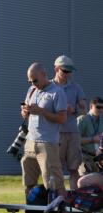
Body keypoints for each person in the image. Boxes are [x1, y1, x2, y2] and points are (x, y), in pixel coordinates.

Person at [20, 62, 67, 197]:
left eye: (35, 80)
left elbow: (62, 119)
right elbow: (25, 114)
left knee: (54, 184)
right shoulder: (32, 90)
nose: (33, 84)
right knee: (29, 183)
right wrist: (25, 112)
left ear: (44, 74)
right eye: (30, 81)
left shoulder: (57, 92)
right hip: (30, 142)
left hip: (47, 144)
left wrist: (42, 111)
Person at [52, 55, 87, 189]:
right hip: (55, 133)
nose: (67, 74)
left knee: (74, 170)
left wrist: (74, 110)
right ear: (56, 68)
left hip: (72, 133)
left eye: (70, 71)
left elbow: (84, 110)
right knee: (56, 169)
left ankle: (74, 203)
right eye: (64, 71)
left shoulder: (76, 87)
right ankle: (57, 201)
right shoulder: (49, 87)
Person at [77, 97, 103, 175]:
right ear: (91, 106)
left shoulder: (102, 121)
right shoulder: (82, 119)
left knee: (97, 184)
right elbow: (75, 140)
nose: (101, 109)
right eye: (98, 107)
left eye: (102, 107)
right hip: (84, 156)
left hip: (98, 158)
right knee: (85, 182)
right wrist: (92, 139)